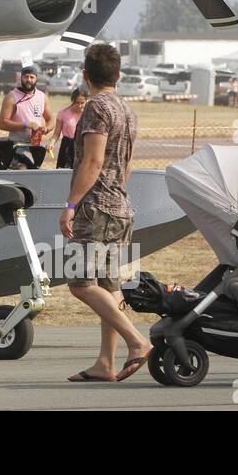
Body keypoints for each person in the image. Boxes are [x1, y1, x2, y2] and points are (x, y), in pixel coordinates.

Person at [59, 44, 152, 383]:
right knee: (109, 286)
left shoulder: (97, 108)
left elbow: (93, 160)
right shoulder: (127, 110)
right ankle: (105, 362)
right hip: (120, 206)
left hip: (97, 208)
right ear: (119, 74)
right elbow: (125, 163)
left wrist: (71, 204)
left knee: (81, 284)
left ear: (85, 76)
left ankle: (137, 340)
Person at [49, 89, 86, 169]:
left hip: (82, 146)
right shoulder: (63, 113)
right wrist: (51, 143)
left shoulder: (88, 114)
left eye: (82, 103)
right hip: (67, 146)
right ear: (72, 101)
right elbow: (56, 134)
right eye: (77, 103)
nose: (79, 106)